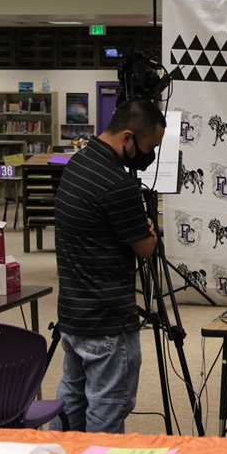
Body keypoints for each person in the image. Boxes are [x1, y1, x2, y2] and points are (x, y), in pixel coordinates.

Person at [50, 98, 165, 433]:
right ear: (127, 137)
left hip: (72, 314)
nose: (149, 155)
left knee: (70, 403)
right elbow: (145, 248)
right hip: (107, 320)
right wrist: (148, 227)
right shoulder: (118, 184)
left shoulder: (78, 163)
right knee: (107, 413)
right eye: (149, 147)